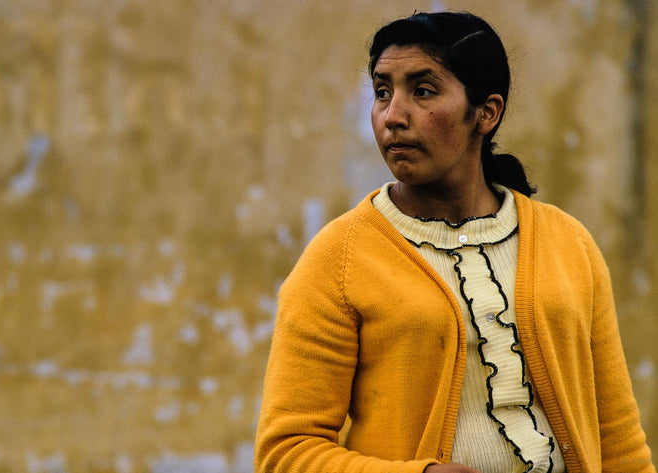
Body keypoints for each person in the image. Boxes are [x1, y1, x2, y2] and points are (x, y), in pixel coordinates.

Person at [254, 11, 655, 473]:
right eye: (382, 91)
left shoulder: (569, 244)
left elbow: (619, 443)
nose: (392, 116)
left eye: (422, 91)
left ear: (486, 112)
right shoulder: (338, 258)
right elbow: (286, 453)